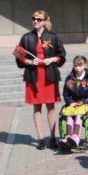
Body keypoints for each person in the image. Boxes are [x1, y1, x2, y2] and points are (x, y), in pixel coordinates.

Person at [16, 10, 66, 150]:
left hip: (49, 76)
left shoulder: (53, 37)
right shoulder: (26, 37)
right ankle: (40, 138)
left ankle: (53, 137)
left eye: (39, 19)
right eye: (33, 19)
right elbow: (19, 57)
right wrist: (31, 62)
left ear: (45, 21)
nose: (35, 21)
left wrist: (53, 59)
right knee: (36, 107)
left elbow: (62, 55)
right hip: (34, 76)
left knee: (51, 107)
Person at [58, 55, 88, 150]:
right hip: (75, 103)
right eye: (75, 66)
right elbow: (66, 95)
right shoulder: (69, 78)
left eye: (80, 65)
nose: (77, 68)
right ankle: (68, 137)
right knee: (69, 114)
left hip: (87, 103)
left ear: (85, 65)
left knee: (78, 115)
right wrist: (70, 102)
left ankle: (75, 137)